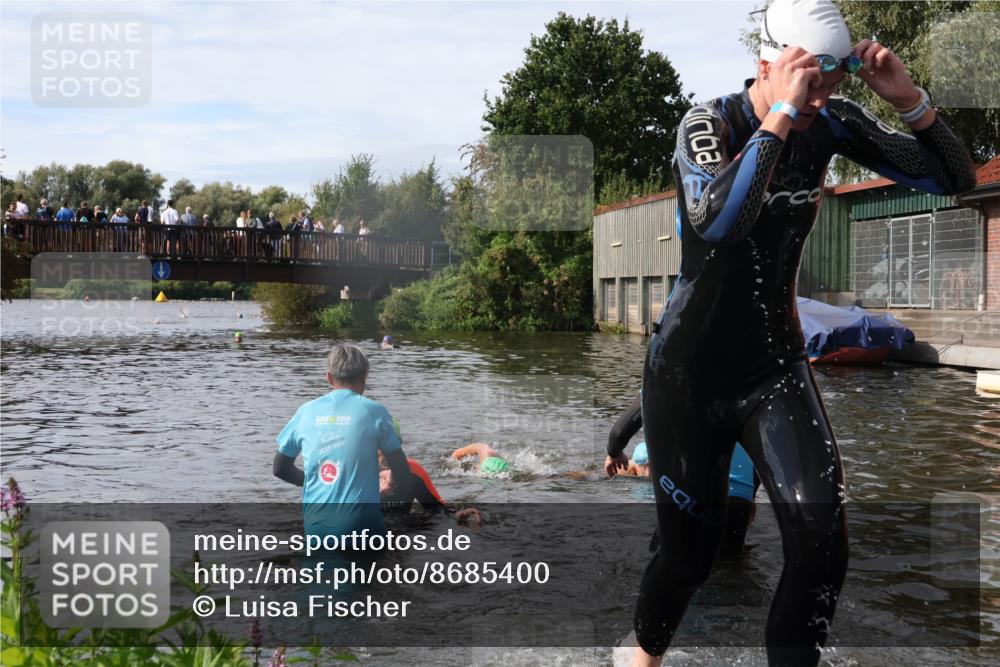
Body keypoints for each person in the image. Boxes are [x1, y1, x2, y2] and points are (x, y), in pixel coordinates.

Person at [632, 1, 976, 665]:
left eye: (830, 84)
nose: (820, 98)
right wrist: (781, 116)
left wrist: (911, 101)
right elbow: (718, 221)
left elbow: (955, 177)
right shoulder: (710, 123)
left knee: (822, 544)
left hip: (774, 366)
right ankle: (640, 655)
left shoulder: (832, 121)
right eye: (808, 81)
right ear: (770, 63)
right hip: (687, 375)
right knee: (689, 559)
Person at [273, 344, 414, 539]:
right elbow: (403, 472)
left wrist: (315, 482)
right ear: (364, 378)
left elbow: (279, 469)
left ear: (329, 377)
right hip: (362, 527)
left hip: (316, 527)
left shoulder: (305, 411)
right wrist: (391, 480)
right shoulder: (375, 411)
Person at [606, 394, 757, 557]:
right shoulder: (748, 383)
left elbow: (622, 428)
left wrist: (613, 452)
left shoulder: (674, 374)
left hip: (689, 492)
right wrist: (750, 494)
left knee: (671, 565)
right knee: (731, 568)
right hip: (738, 499)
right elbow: (763, 449)